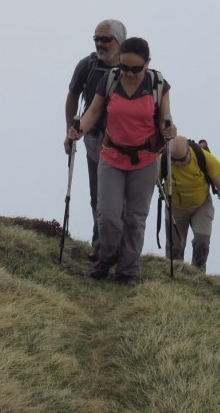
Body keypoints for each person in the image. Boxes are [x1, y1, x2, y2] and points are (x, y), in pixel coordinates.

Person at [69, 37, 176, 285]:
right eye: (124, 67)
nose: (128, 73)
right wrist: (79, 130)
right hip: (112, 155)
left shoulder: (158, 84)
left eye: (135, 68)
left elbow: (165, 119)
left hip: (145, 159)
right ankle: (107, 257)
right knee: (107, 215)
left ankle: (127, 270)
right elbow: (94, 111)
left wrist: (169, 130)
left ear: (147, 64)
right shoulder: (111, 79)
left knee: (135, 218)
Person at [64, 19, 127, 261]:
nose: (99, 44)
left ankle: (119, 248)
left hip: (125, 141)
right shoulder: (87, 65)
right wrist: (70, 130)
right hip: (94, 139)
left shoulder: (130, 67)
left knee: (122, 198)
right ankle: (101, 245)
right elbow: (72, 96)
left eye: (105, 39)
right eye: (96, 39)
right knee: (98, 194)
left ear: (119, 42)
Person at [163, 136, 220, 272]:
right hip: (175, 207)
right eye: (174, 160)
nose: (178, 164)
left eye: (182, 160)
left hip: (201, 206)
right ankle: (174, 275)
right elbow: (148, 183)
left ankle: (197, 273)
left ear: (189, 151)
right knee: (175, 247)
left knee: (202, 241)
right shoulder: (163, 160)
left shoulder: (204, 158)